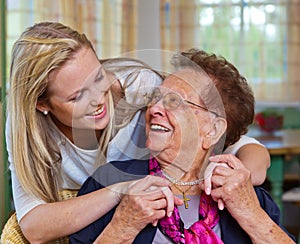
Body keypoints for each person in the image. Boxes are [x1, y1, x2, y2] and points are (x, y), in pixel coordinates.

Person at [6, 21, 268, 242]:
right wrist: (121, 191)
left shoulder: (141, 88)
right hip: (95, 206)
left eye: (99, 77)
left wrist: (236, 178)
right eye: (77, 97)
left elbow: (230, 138)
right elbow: (34, 227)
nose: (98, 99)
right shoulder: (26, 128)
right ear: (42, 104)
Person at [70, 49, 295, 243]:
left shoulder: (246, 196)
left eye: (174, 102)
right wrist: (122, 227)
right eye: (155, 98)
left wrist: (252, 215)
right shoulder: (108, 182)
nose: (154, 109)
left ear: (213, 129)